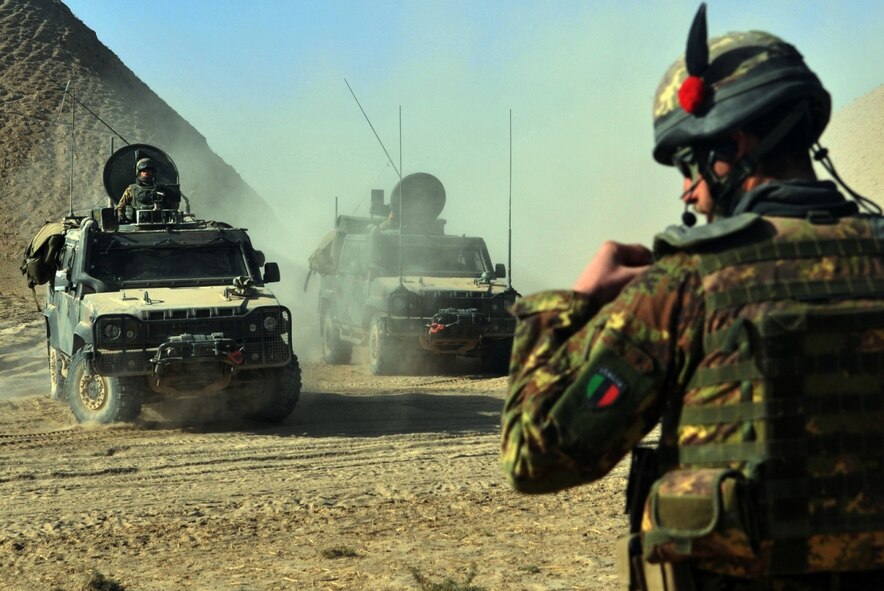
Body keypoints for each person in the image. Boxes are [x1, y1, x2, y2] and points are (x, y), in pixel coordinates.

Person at [501, 4, 884, 590]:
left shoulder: (686, 285)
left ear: (734, 145)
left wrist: (570, 302)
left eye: (689, 164)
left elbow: (534, 454)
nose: (687, 191)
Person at [115, 157, 180, 217]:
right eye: (144, 171)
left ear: (153, 172)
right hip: (137, 223)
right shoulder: (131, 190)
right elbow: (120, 207)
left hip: (159, 222)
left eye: (148, 170)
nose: (146, 173)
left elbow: (174, 206)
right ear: (139, 172)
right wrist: (120, 216)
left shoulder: (162, 189)